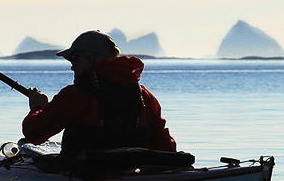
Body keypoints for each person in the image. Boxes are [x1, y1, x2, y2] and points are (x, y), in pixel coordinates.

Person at [23, 30, 177, 156]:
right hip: (129, 173)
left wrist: (37, 108)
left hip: (83, 175)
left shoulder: (74, 96)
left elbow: (34, 134)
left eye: (74, 60)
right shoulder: (145, 96)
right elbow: (166, 148)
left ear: (90, 60)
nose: (72, 67)